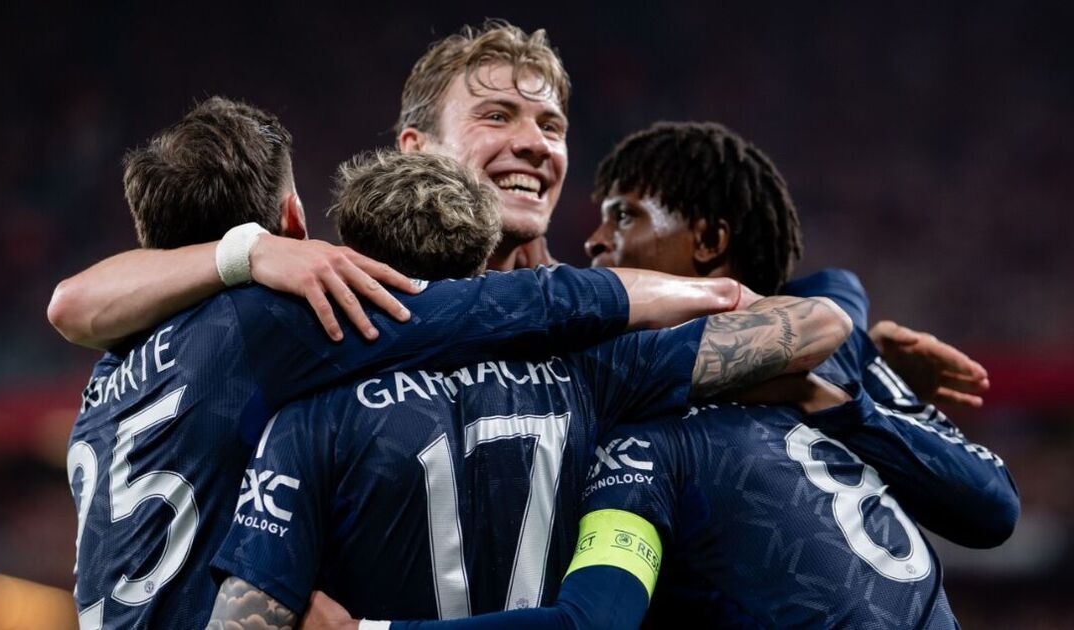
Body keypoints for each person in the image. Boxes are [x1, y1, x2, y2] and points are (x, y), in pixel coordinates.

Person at [65, 101, 752, 630]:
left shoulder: (106, 377)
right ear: (294, 219)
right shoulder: (270, 321)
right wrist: (712, 294)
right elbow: (514, 305)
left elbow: (68, 304)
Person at [308, 122, 1018, 629]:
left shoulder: (648, 437)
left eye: (622, 215)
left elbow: (993, 508)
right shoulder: (831, 342)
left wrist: (836, 395)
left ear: (708, 241)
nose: (594, 240)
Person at [205, 148, 853, 628]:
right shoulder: (594, 370)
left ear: (356, 256)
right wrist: (717, 294)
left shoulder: (308, 416)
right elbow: (817, 326)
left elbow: (243, 621)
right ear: (485, 253)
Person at [46, 20, 573, 349]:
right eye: (497, 116)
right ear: (416, 148)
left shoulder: (578, 314)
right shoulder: (334, 297)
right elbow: (75, 304)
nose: (536, 144)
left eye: (552, 127)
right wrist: (250, 251)